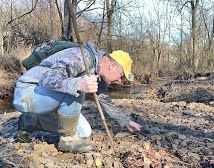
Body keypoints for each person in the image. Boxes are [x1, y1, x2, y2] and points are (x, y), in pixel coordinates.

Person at [13, 42, 142, 153]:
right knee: (78, 87)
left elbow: (103, 99)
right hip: (27, 92)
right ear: (112, 66)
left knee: (83, 132)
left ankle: (30, 121)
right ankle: (67, 141)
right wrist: (77, 84)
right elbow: (48, 78)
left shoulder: (97, 71)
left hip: (45, 97)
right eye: (121, 76)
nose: (120, 81)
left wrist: (125, 121)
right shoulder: (82, 56)